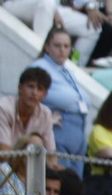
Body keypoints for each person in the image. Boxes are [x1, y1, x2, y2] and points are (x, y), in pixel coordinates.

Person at [25, 31, 89, 171]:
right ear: (47, 47)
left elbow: (81, 98)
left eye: (66, 46)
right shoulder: (39, 67)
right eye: (57, 45)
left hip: (78, 129)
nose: (62, 50)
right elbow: (30, 97)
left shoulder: (67, 70)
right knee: (60, 176)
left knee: (75, 179)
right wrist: (45, 119)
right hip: (59, 127)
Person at [0, 67, 57, 167]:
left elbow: (51, 155)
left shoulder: (45, 114)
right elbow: (4, 154)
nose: (34, 93)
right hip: (4, 165)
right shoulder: (3, 108)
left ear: (45, 95)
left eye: (39, 89)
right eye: (31, 86)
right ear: (20, 88)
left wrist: (53, 169)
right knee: (35, 141)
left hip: (27, 167)